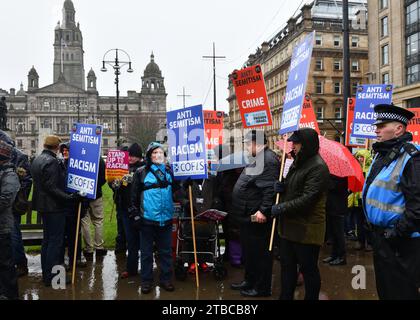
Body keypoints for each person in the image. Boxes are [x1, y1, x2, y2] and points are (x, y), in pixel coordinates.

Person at [362, 104, 420, 300]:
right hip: (382, 239)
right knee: (386, 291)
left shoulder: (412, 157)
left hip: (400, 243)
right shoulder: (382, 153)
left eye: (382, 125)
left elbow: (417, 207)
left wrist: (395, 235)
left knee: (401, 292)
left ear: (399, 129)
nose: (376, 129)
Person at [271, 128, 329, 300]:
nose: (293, 146)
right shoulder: (298, 162)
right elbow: (294, 187)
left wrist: (281, 208)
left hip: (307, 230)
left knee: (308, 269)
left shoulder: (318, 167)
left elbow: (308, 199)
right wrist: (282, 186)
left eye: (296, 143)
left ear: (306, 145)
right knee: (287, 268)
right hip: (289, 227)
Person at [230, 130, 280, 297]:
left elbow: (268, 189)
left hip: (257, 216)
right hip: (247, 214)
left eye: (247, 144)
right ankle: (249, 280)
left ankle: (261, 287)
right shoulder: (257, 158)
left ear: (256, 143)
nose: (245, 147)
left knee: (260, 254)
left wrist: (263, 211)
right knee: (250, 252)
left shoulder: (268, 159)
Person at [130, 142, 181, 294]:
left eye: (161, 153)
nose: (158, 155)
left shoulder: (169, 172)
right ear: (149, 156)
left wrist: (186, 186)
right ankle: (146, 281)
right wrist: (136, 216)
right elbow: (133, 197)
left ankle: (166, 279)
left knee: (165, 252)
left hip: (165, 219)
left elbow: (177, 192)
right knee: (146, 253)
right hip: (147, 219)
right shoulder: (141, 172)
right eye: (155, 153)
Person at [31, 135, 81, 286]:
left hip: (43, 206)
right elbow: (51, 187)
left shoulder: (37, 159)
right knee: (55, 242)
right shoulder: (52, 161)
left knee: (47, 241)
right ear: (57, 147)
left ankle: (47, 274)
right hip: (53, 207)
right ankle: (53, 277)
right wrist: (69, 197)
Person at [110, 143, 145, 279]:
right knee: (130, 240)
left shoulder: (144, 169)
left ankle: (147, 269)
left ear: (139, 157)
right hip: (125, 209)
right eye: (129, 155)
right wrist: (115, 185)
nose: (130, 158)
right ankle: (131, 269)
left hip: (141, 209)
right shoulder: (122, 168)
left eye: (134, 156)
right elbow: (115, 186)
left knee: (144, 241)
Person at [59, 142, 87, 269]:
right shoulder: (60, 165)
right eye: (63, 151)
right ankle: (66, 259)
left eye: (67, 150)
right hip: (63, 205)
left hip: (75, 205)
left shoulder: (79, 167)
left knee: (75, 234)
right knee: (64, 234)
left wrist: (84, 205)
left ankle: (75, 258)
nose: (65, 153)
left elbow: (85, 187)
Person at [0, 140, 20, 299]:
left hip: (3, 228)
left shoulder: (10, 175)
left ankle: (11, 294)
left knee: (6, 264)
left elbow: (5, 200)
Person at [81, 156, 107, 260]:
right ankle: (99, 247)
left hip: (83, 194)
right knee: (98, 221)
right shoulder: (98, 158)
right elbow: (103, 178)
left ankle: (89, 249)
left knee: (85, 221)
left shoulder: (80, 156)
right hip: (96, 194)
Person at [323, 174, 348, 266]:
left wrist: (326, 182)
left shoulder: (342, 175)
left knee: (339, 234)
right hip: (330, 206)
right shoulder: (331, 173)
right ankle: (334, 254)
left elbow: (336, 187)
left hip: (338, 207)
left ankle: (341, 257)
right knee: (333, 233)